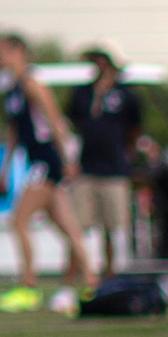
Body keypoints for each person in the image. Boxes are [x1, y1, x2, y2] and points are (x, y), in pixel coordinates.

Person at [0, 34, 97, 315]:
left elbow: (54, 120)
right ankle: (91, 280)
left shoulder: (32, 83)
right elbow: (15, 131)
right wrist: (5, 168)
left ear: (18, 51)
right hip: (36, 161)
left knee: (19, 220)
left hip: (47, 161)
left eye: (2, 50)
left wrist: (67, 160)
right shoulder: (11, 90)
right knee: (67, 227)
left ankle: (29, 287)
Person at [66, 44, 143, 274]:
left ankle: (109, 272)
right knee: (78, 224)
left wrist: (128, 154)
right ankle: (76, 274)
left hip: (114, 168)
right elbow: (73, 122)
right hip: (87, 166)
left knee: (111, 226)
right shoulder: (82, 92)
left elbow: (135, 128)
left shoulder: (126, 94)